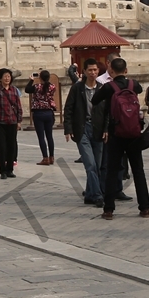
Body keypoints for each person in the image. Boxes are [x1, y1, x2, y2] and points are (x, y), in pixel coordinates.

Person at [96, 56, 149, 218]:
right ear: (126, 70)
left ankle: (109, 209)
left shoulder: (108, 87)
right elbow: (139, 91)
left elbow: (94, 99)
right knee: (138, 170)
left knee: (112, 171)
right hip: (134, 133)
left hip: (116, 134)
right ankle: (144, 208)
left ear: (110, 71)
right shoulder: (134, 85)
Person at [64, 58, 105, 205]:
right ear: (85, 72)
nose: (93, 73)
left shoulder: (102, 88)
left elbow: (106, 112)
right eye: (90, 70)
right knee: (90, 164)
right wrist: (68, 128)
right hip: (82, 129)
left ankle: (89, 194)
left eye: (95, 70)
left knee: (97, 165)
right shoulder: (77, 88)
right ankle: (98, 195)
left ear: (98, 71)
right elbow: (68, 108)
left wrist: (106, 129)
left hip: (98, 130)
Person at [0, 67, 23, 179]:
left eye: (9, 76)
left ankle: (10, 169)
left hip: (12, 121)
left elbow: (18, 106)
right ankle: (2, 170)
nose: (7, 78)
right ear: (0, 78)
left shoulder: (14, 90)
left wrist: (19, 120)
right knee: (2, 147)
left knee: (12, 146)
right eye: (5, 76)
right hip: (0, 121)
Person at [28, 69, 58, 164]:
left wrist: (31, 80)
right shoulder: (53, 87)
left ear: (40, 77)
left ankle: (45, 158)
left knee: (41, 137)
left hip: (38, 113)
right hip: (49, 112)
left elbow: (27, 89)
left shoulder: (36, 87)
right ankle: (52, 157)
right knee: (50, 136)